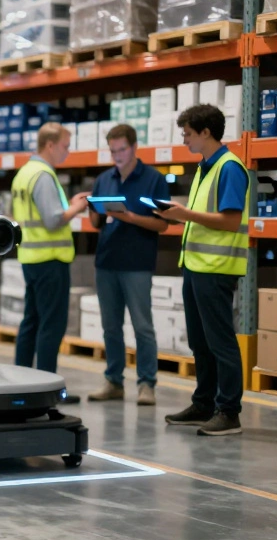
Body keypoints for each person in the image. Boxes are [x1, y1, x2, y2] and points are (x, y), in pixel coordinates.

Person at [155, 105, 249, 436]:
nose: (185, 140)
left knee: (220, 341)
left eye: (188, 134)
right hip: (196, 266)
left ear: (205, 132)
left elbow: (230, 220)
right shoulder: (204, 168)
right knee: (199, 341)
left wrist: (184, 214)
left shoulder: (230, 168)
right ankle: (204, 403)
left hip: (217, 267)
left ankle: (229, 411)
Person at [86, 125, 169, 405]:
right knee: (111, 326)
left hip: (137, 263)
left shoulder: (153, 180)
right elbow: (96, 223)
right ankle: (114, 381)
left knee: (142, 326)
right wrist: (95, 210)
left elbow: (162, 223)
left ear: (134, 147)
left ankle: (147, 384)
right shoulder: (103, 180)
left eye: (122, 149)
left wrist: (131, 218)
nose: (117, 156)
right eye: (113, 151)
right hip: (107, 261)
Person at [11, 123, 90, 398]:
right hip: (50, 260)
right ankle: (47, 390)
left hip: (31, 258)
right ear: (50, 145)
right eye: (66, 146)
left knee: (31, 322)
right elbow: (54, 219)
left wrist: (66, 207)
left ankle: (20, 383)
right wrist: (76, 208)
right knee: (51, 325)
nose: (67, 152)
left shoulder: (23, 174)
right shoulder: (43, 175)